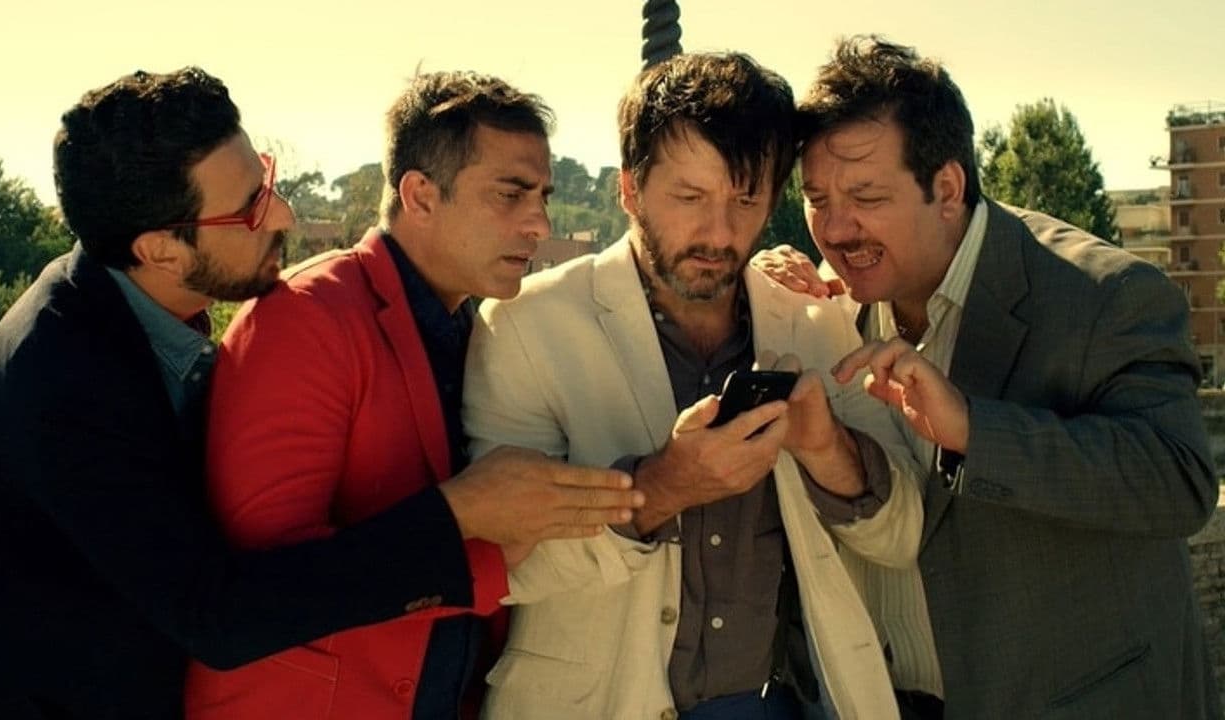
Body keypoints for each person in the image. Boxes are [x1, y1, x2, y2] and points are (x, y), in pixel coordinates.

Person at [0, 67, 641, 720]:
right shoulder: (61, 382)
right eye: (247, 210)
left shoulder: (138, 312)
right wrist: (458, 515)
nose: (281, 214)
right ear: (160, 250)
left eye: (266, 180)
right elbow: (219, 616)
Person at [463, 52, 924, 720]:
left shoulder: (816, 326)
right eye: (689, 197)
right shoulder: (523, 325)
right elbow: (503, 567)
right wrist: (662, 486)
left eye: (746, 200)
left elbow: (903, 538)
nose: (719, 233)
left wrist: (829, 451)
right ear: (629, 189)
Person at [775, 35, 1219, 719]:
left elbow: (1179, 483)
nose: (834, 228)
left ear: (947, 189)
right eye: (815, 197)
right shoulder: (833, 304)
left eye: (865, 195)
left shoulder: (1105, 294)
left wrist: (975, 432)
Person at [179, 71, 645, 720]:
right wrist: (462, 515)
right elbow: (266, 589)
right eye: (510, 195)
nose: (539, 224)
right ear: (420, 195)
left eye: (542, 197)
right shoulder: (306, 318)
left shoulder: (479, 328)